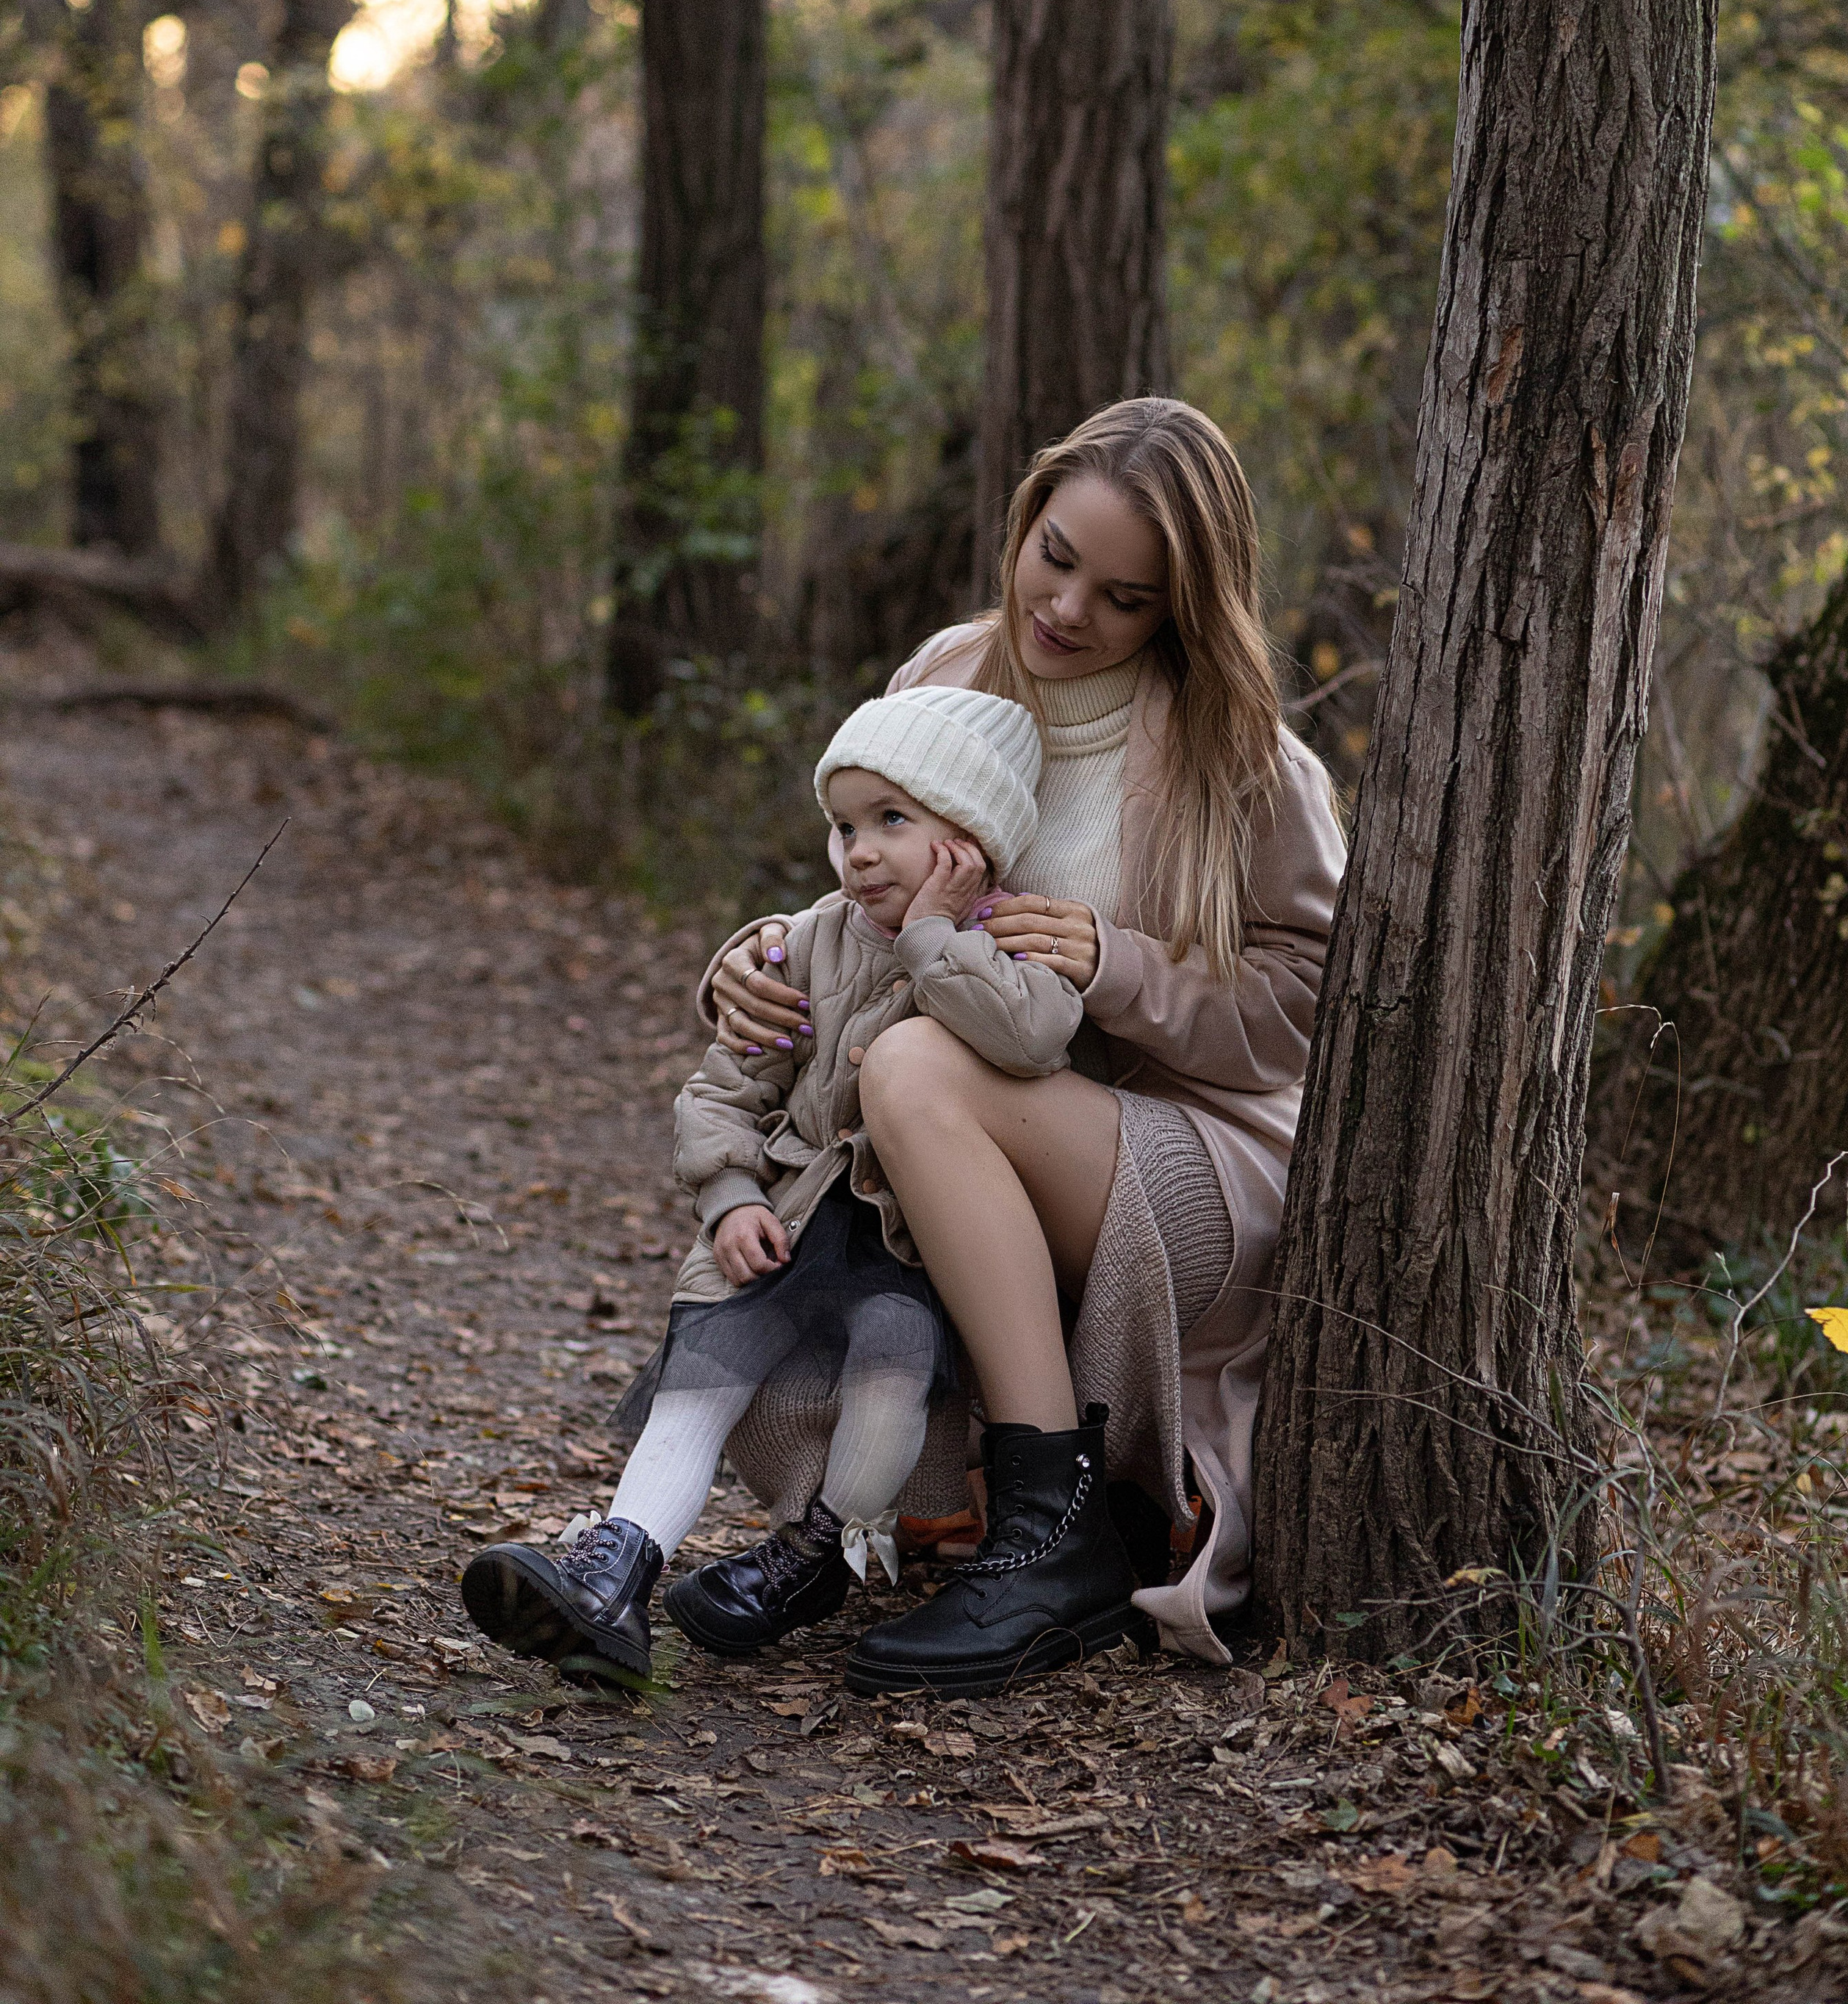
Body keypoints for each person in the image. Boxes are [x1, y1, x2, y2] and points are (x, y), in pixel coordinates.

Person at [710, 396, 1346, 1693]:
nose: (1068, 611)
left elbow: (1314, 1005)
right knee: (902, 1070)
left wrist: (1118, 966)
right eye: (1055, 556)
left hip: (1196, 1160)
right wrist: (755, 959)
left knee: (912, 1067)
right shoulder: (945, 673)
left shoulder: (1250, 763)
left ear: (1179, 605)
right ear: (1028, 512)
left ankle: (1049, 1538)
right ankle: (840, 1528)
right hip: (981, 1140)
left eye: (1123, 597)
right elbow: (868, 904)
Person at [458, 683, 1088, 1687]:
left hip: (908, 1254)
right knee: (700, 1379)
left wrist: (932, 938)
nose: (861, 851)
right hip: (786, 1223)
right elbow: (719, 1094)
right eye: (843, 826)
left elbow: (1036, 1036)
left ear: (969, 842)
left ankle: (815, 1555)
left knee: (888, 1383)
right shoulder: (802, 945)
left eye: (892, 821)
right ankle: (614, 1573)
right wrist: (730, 1200)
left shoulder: (1012, 946)